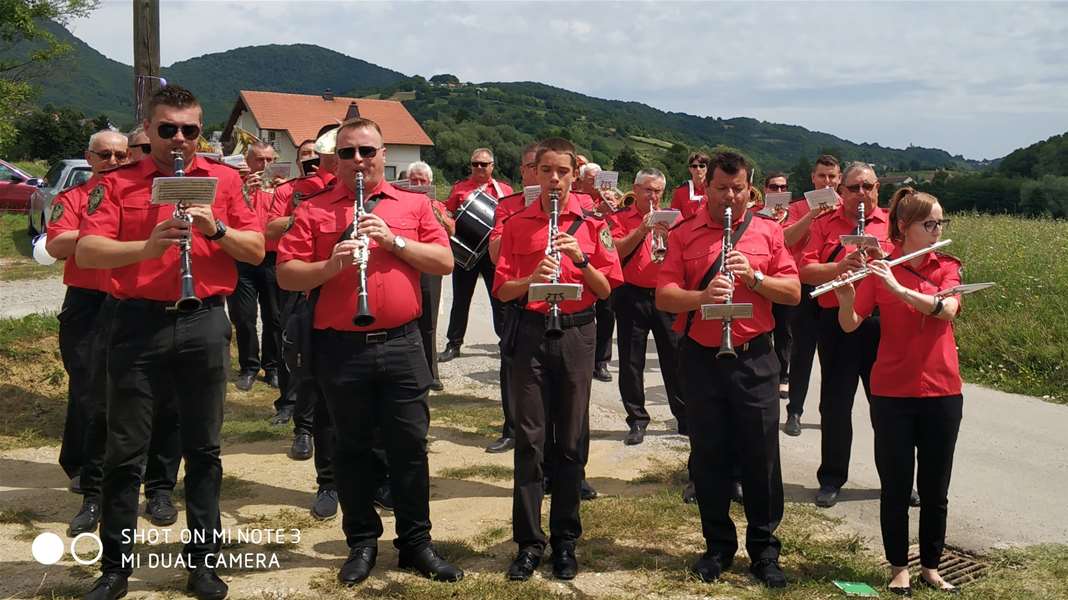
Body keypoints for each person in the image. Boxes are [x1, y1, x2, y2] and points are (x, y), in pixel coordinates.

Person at [76, 84, 265, 600]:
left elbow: (256, 248)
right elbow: (89, 252)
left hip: (203, 320)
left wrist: (217, 228)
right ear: (149, 129)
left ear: (199, 131)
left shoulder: (223, 180)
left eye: (189, 130)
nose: (179, 139)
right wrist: (145, 245)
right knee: (125, 452)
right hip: (136, 322)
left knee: (203, 449)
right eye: (167, 129)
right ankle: (115, 565)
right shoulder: (117, 183)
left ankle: (203, 562)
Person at [276, 117, 462, 586]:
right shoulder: (315, 209)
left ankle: (416, 543)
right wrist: (330, 263)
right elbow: (286, 275)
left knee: (410, 449)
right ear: (335, 159)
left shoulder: (415, 204)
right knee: (350, 449)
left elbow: (444, 261)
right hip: (341, 347)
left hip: (401, 344)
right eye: (348, 153)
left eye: (367, 152)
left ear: (384, 154)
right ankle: (361, 542)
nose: (358, 161)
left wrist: (394, 241)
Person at [656, 151, 799, 589]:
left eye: (738, 189)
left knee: (762, 456)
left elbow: (792, 292)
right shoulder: (685, 233)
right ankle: (717, 546)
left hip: (755, 356)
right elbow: (664, 296)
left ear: (749, 189)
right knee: (709, 454)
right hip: (702, 356)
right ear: (708, 188)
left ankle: (764, 550)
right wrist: (702, 298)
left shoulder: (769, 233)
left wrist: (754, 278)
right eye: (722, 188)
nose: (731, 197)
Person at [494, 137, 622, 581]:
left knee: (570, 441)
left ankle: (566, 539)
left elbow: (607, 289)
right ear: (534, 173)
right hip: (530, 333)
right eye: (545, 170)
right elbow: (502, 289)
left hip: (576, 333)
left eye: (562, 172)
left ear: (574, 174)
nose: (554, 179)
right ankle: (529, 542)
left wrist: (581, 260)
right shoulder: (515, 222)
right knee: (530, 442)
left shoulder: (591, 222)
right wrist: (531, 278)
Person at [47, 130, 182, 538]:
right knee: (95, 401)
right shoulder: (73, 197)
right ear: (89, 157)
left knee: (165, 400)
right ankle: (93, 493)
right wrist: (108, 233)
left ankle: (159, 488)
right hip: (90, 304)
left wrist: (104, 236)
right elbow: (58, 244)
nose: (114, 160)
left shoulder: (146, 194)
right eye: (104, 154)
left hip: (142, 303)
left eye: (123, 153)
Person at [833, 188, 963, 595]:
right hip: (891, 389)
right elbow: (851, 324)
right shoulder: (881, 268)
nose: (937, 229)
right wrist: (846, 298)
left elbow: (946, 309)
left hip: (942, 389)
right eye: (930, 223)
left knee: (935, 488)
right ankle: (898, 568)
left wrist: (900, 289)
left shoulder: (947, 267)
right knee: (895, 485)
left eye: (940, 222)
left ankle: (931, 566)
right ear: (905, 227)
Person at [799, 161, 894, 508]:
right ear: (841, 191)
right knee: (835, 405)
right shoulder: (825, 224)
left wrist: (882, 258)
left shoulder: (893, 224)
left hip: (880, 324)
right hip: (836, 322)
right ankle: (832, 478)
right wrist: (839, 268)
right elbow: (806, 270)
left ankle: (896, 479)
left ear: (877, 189)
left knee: (886, 407)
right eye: (853, 187)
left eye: (867, 186)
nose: (861, 194)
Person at [608, 168, 685, 445]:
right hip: (631, 294)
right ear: (636, 189)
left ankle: (684, 416)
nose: (652, 195)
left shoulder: (674, 220)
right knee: (631, 361)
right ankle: (637, 420)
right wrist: (642, 229)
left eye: (657, 191)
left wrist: (668, 235)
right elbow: (615, 252)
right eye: (647, 189)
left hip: (665, 294)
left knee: (675, 358)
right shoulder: (619, 218)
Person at [484, 141, 541, 454]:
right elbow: (494, 255)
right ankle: (512, 427)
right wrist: (519, 218)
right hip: (517, 296)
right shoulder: (507, 205)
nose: (535, 172)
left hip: (552, 298)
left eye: (541, 166)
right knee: (511, 362)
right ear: (522, 171)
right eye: (531, 166)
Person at [780, 155, 841, 436]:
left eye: (832, 177)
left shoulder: (848, 208)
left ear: (839, 179)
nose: (827, 181)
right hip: (803, 287)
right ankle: (794, 411)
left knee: (833, 356)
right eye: (822, 176)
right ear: (812, 179)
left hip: (835, 286)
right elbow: (787, 240)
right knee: (802, 353)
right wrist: (812, 214)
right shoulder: (796, 208)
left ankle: (830, 413)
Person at [438, 147, 512, 362]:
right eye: (475, 164)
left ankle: (506, 342)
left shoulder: (503, 190)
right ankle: (454, 344)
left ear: (492, 167)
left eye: (484, 164)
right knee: (460, 299)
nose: (479, 167)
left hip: (492, 252)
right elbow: (448, 212)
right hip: (465, 251)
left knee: (499, 299)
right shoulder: (460, 188)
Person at [229, 141, 283, 392]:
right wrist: (244, 192)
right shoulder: (237, 188)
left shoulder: (282, 188)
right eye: (260, 160)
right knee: (244, 315)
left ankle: (272, 366)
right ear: (248, 162)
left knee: (274, 316)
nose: (265, 165)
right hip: (243, 256)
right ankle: (249, 366)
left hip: (272, 257)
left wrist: (282, 193)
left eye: (270, 160)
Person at [406, 160, 452, 392]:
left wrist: (439, 216)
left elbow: (452, 230)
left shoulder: (438, 204)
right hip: (406, 262)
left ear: (429, 183)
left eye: (421, 181)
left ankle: (432, 373)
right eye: (413, 180)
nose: (417, 184)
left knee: (430, 322)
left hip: (429, 266)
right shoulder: (402, 203)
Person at [762, 172, 794, 409]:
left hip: (783, 280)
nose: (780, 192)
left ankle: (783, 375)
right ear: (766, 189)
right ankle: (766, 374)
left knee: (784, 330)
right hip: (761, 280)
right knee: (764, 329)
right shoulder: (756, 216)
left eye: (783, 188)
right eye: (774, 187)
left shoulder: (794, 216)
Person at [670, 151, 710, 219]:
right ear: (690, 169)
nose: (698, 169)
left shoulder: (715, 189)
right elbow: (673, 217)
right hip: (687, 228)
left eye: (702, 166)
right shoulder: (680, 192)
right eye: (694, 166)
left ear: (707, 168)